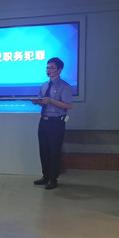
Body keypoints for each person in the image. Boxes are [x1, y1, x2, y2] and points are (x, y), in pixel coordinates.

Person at [32, 57, 73, 190]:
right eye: (47, 67)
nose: (48, 70)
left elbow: (68, 105)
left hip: (56, 122)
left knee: (54, 151)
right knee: (43, 150)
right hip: (44, 120)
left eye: (52, 68)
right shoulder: (44, 85)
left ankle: (53, 179)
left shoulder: (65, 86)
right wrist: (37, 101)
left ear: (59, 70)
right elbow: (42, 100)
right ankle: (45, 176)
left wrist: (51, 101)